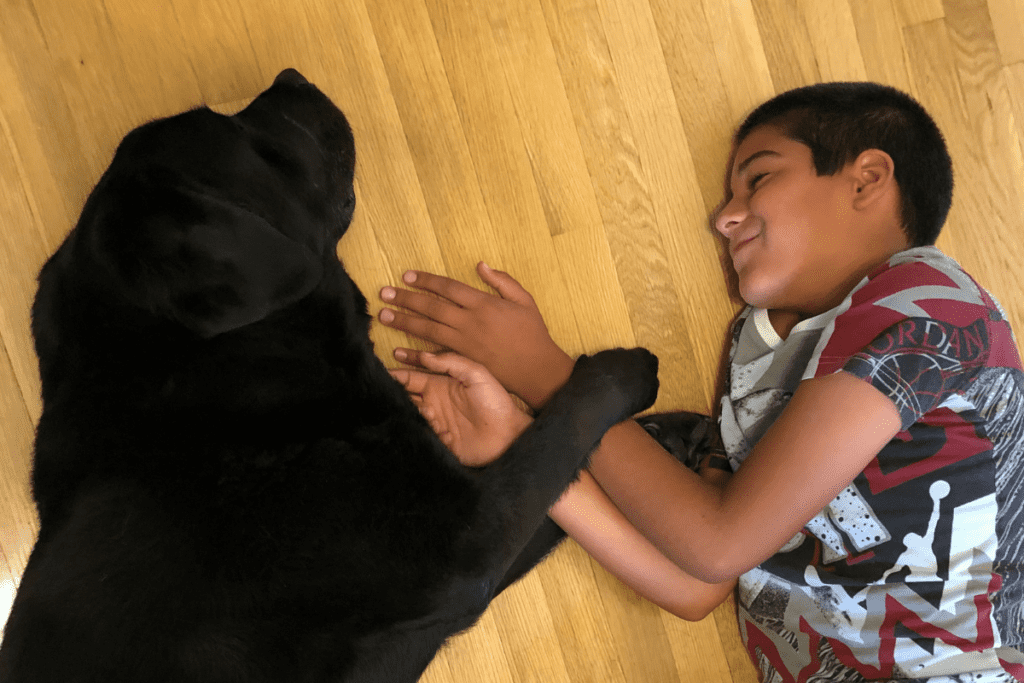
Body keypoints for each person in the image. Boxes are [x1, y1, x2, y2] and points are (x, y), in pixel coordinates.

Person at [377, 82, 1024, 682]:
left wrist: (546, 376)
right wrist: (521, 448)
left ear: (867, 180)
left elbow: (716, 545)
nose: (724, 216)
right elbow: (699, 580)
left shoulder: (932, 308)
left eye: (760, 177)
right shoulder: (758, 348)